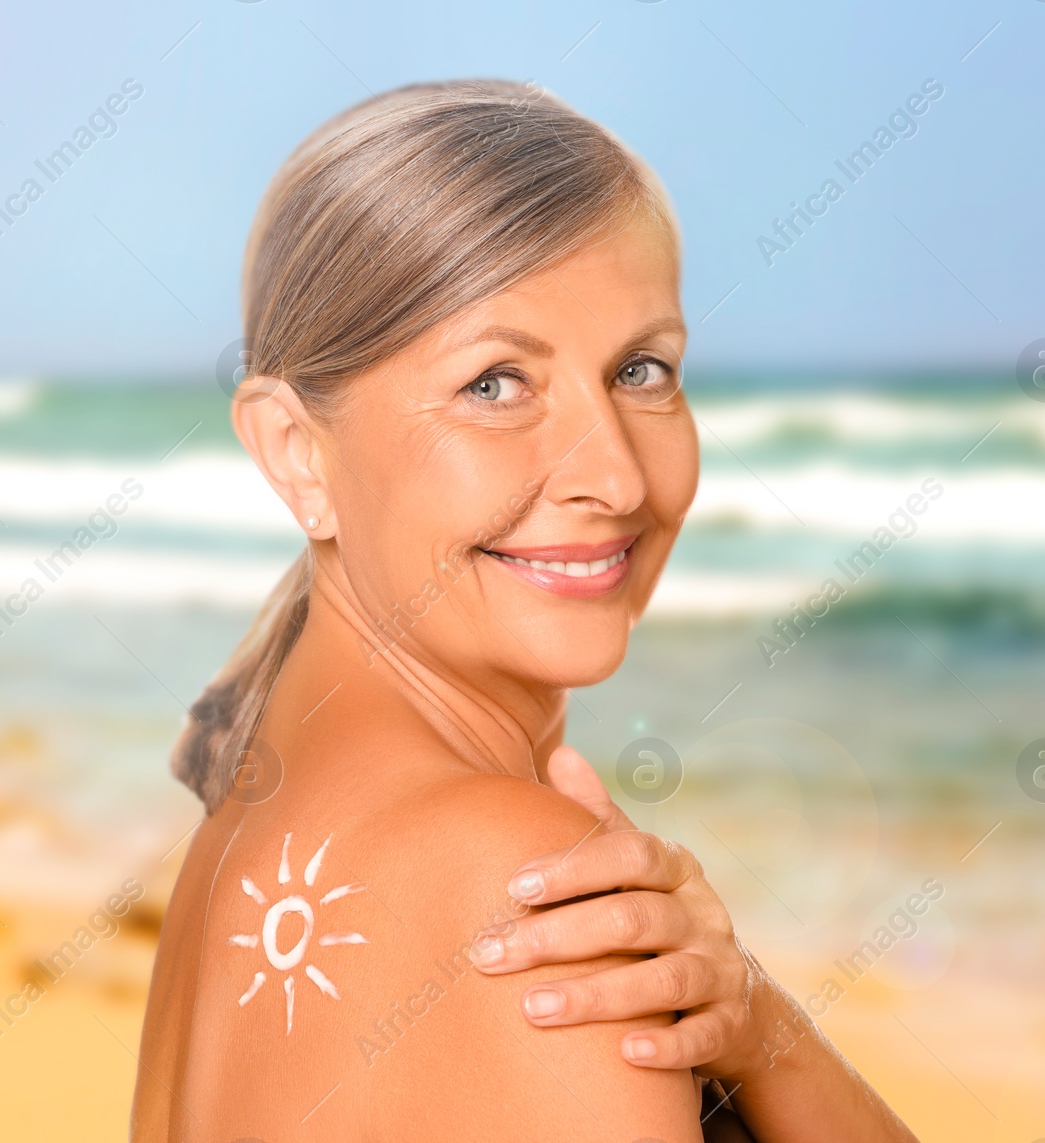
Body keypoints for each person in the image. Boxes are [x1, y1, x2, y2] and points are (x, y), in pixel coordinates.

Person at [133, 79, 917, 1142]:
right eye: (496, 384)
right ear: (295, 453)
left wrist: (749, 1021)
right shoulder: (530, 889)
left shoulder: (239, 830)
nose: (618, 478)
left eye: (642, 370)